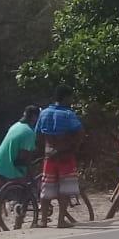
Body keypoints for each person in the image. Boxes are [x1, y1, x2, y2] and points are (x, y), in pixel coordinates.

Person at [34, 86, 83, 228]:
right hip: (65, 157)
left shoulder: (44, 113)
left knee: (46, 189)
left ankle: (43, 220)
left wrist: (46, 148)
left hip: (49, 156)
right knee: (65, 190)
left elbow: (38, 134)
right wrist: (74, 147)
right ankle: (61, 221)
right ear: (66, 97)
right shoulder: (68, 114)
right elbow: (80, 132)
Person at [0, 105, 40, 231]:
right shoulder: (29, 132)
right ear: (34, 117)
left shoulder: (16, 125)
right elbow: (24, 157)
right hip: (10, 167)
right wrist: (31, 176)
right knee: (25, 193)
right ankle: (18, 225)